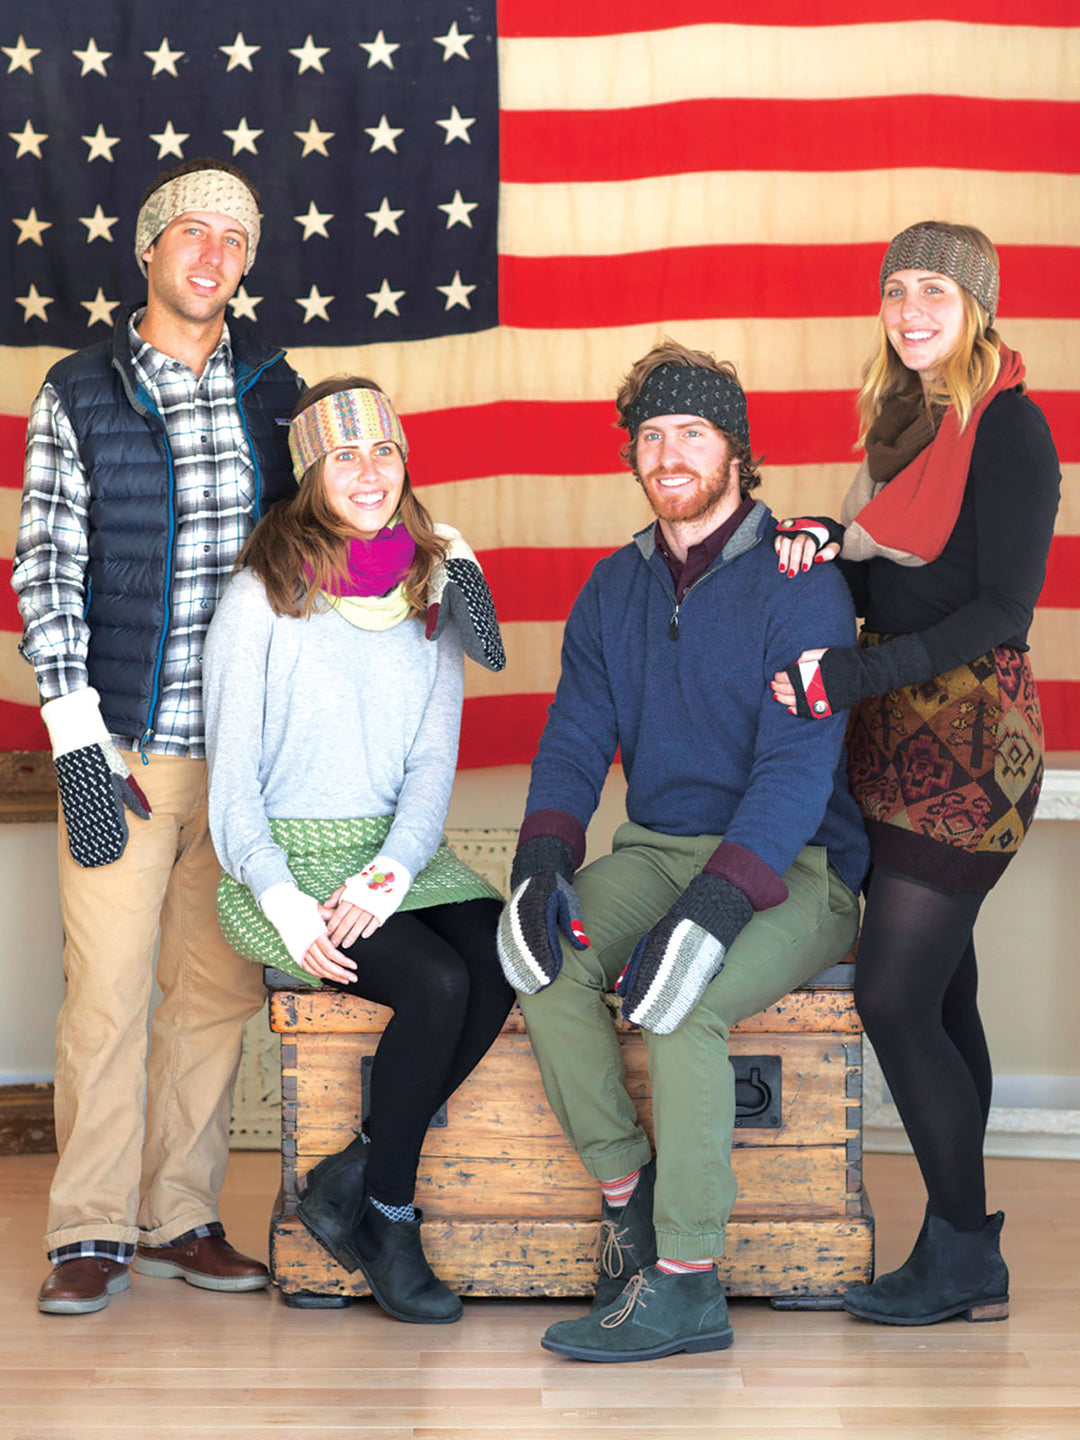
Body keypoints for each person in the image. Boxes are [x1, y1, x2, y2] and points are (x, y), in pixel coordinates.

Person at [495, 340, 869, 1363]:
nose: (668, 452)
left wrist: (716, 906)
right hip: (657, 848)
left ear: (735, 453)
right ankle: (632, 1198)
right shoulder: (614, 588)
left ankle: (689, 1281)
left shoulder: (800, 584)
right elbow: (575, 737)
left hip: (794, 866)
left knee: (681, 994)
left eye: (691, 433)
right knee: (538, 954)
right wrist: (541, 859)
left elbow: (797, 770)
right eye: (651, 435)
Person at [10, 158, 303, 1314]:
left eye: (235, 239)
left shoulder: (277, 392)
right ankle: (89, 1227)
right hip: (128, 751)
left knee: (214, 992)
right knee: (108, 994)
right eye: (193, 231)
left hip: (245, 759)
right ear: (148, 251)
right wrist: (80, 736)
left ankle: (179, 1215)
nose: (213, 253)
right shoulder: (78, 391)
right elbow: (46, 568)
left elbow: (335, 537)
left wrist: (445, 558)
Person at [771, 221, 1061, 1326]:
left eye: (933, 289)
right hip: (890, 744)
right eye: (896, 291)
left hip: (974, 750)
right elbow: (884, 568)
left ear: (977, 303)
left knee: (892, 995)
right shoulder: (899, 430)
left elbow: (999, 610)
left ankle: (961, 1251)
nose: (910, 310)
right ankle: (962, 1233)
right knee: (944, 990)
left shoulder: (1012, 431)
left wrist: (860, 667)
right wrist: (820, 543)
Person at [203, 376, 513, 1324]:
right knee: (436, 984)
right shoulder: (261, 600)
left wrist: (392, 871)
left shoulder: (433, 592)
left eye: (383, 451)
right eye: (345, 457)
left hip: (392, 860)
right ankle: (385, 1213)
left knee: (499, 955)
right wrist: (286, 899)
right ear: (311, 476)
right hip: (284, 863)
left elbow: (431, 764)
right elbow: (232, 780)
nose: (369, 473)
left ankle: (347, 1172)